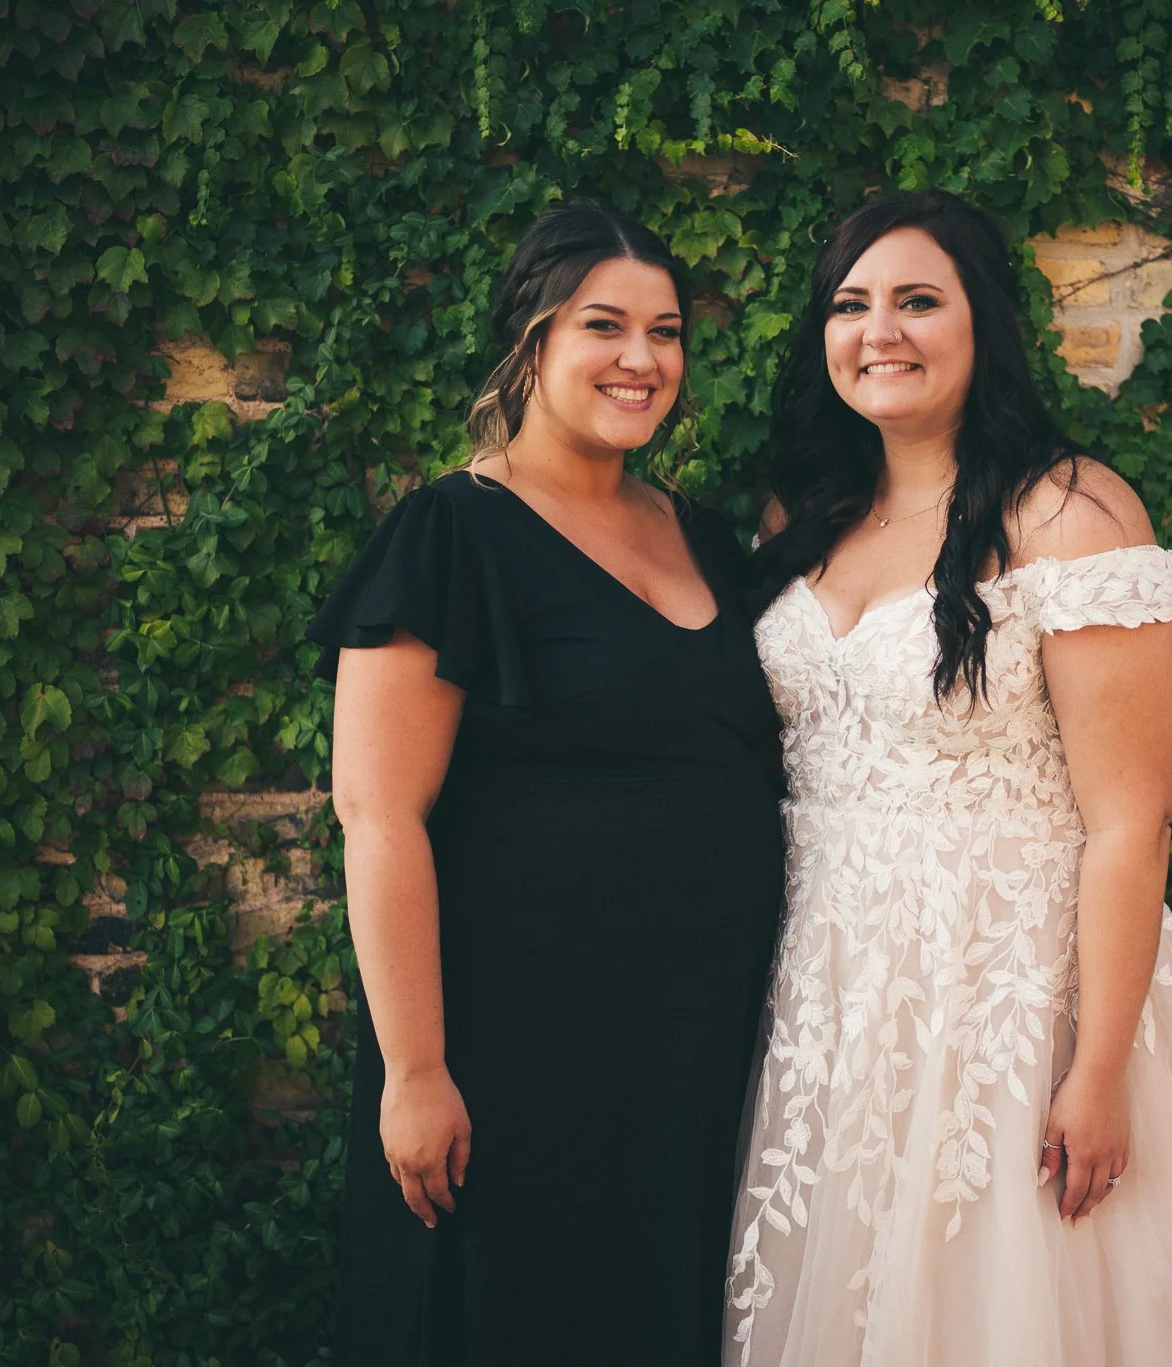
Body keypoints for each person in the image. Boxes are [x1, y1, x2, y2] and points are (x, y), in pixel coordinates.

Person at [725, 190, 1172, 1367]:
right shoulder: (800, 516)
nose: (879, 331)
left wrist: (1096, 1069)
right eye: (850, 305)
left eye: (917, 300)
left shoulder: (1069, 515)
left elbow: (1129, 819)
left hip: (1009, 1002)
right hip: (828, 998)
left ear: (983, 323)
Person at [308, 200, 784, 1365]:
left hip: (685, 1048)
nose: (641, 358)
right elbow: (377, 813)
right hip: (514, 1047)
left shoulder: (703, 534)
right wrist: (416, 1069)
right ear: (530, 340)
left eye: (665, 331)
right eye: (603, 325)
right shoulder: (450, 532)